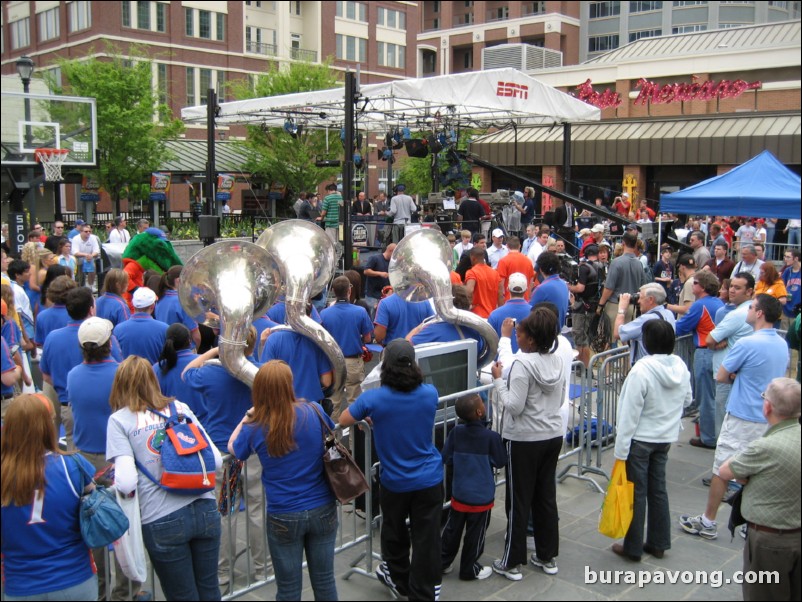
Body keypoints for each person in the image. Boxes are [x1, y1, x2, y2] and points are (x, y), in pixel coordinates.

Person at [107, 356, 222, 601]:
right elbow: (217, 460)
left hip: (160, 517)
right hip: (204, 506)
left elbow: (126, 482)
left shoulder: (119, 421)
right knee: (210, 589)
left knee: (181, 595)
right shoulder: (179, 408)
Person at [679, 294, 789, 541]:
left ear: (759, 313)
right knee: (755, 471)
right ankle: (750, 521)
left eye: (751, 307)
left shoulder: (747, 343)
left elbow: (721, 375)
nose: (748, 310)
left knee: (723, 469)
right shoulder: (781, 343)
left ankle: (708, 520)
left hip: (742, 414)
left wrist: (736, 376)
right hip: (767, 418)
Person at [340, 340, 443, 600]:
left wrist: (369, 415)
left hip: (396, 482)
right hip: (429, 479)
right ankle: (426, 590)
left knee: (394, 534)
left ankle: (399, 580)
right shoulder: (430, 393)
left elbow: (343, 419)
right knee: (426, 537)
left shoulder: (374, 399)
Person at [228, 361, 339, 601]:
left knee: (288, 589)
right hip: (323, 507)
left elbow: (233, 449)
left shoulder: (256, 426)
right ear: (289, 385)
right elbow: (331, 436)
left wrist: (249, 414)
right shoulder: (314, 411)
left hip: (283, 513)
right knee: (325, 580)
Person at [183, 330, 267, 586]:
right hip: (252, 451)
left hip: (223, 452)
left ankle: (222, 573)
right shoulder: (261, 372)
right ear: (250, 348)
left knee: (225, 512)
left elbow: (186, 373)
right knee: (257, 509)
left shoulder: (210, 372)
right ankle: (263, 570)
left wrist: (212, 351)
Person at [491, 308, 565, 580]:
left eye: (519, 333)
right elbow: (559, 399)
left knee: (518, 499)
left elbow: (514, 406)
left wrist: (499, 381)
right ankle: (547, 555)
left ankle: (511, 560)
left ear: (531, 339)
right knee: (545, 496)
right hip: (552, 434)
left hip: (524, 438)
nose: (517, 337)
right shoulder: (557, 359)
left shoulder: (523, 365)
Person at [1, 394, 99, 601]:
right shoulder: (72, 465)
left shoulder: (5, 475)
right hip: (74, 577)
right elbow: (96, 502)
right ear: (47, 427)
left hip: (21, 583)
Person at [612, 320, 692, 562]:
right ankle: (659, 542)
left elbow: (629, 413)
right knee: (658, 489)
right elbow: (687, 399)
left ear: (646, 342)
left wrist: (620, 450)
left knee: (637, 492)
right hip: (665, 436)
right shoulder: (679, 365)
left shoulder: (641, 370)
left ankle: (633, 546)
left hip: (641, 438)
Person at [718, 377, 800, 602]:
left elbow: (726, 471)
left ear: (767, 407)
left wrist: (747, 477)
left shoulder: (764, 447)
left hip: (771, 540)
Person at [440, 394, 507, 581]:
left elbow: (446, 457)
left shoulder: (456, 432)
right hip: (481, 496)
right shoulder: (491, 437)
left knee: (452, 530)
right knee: (475, 534)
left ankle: (442, 562)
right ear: (480, 411)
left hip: (459, 492)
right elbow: (500, 461)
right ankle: (469, 568)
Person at [676, 270, 725, 448]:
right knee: (715, 396)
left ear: (702, 287)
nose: (692, 285)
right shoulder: (719, 302)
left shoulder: (699, 305)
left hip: (704, 351)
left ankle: (709, 437)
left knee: (706, 397)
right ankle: (714, 434)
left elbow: (680, 327)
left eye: (695, 283)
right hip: (717, 352)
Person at [707, 273, 755, 439]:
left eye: (737, 287)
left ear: (749, 292)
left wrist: (715, 342)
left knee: (724, 424)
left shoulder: (738, 314)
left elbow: (709, 340)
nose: (732, 291)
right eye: (731, 286)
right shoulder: (745, 312)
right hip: (736, 373)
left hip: (727, 374)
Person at [320, 276, 373, 421]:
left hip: (333, 364)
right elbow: (368, 339)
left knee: (334, 403)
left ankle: (333, 441)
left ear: (333, 292)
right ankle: (355, 441)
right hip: (353, 362)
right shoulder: (360, 311)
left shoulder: (324, 314)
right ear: (349, 291)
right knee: (355, 403)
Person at [597, 231, 649, 338]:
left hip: (615, 307)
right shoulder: (639, 263)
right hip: (631, 307)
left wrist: (600, 305)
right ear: (635, 245)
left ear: (623, 243)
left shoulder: (616, 262)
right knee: (627, 341)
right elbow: (643, 287)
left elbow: (609, 288)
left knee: (610, 341)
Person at [153, 323, 205, 421]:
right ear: (189, 341)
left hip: (172, 426)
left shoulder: (156, 368)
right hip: (203, 425)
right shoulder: (204, 363)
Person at [569, 244, 603, 366]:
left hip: (583, 308)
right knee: (587, 338)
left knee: (580, 339)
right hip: (595, 306)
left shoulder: (584, 267)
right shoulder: (601, 266)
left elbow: (580, 288)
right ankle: (586, 366)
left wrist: (568, 286)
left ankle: (583, 367)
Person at [114, 287, 169, 363]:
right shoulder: (164, 329)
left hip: (126, 374)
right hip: (153, 374)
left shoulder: (118, 329)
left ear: (133, 305)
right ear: (153, 306)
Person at [154, 266, 200, 347]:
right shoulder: (183, 301)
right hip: (184, 349)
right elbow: (196, 336)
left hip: (165, 348)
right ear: (178, 280)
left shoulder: (160, 298)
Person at [489, 274, 535, 355]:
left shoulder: (495, 315)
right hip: (527, 362)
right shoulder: (535, 313)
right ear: (526, 289)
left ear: (508, 289)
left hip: (501, 364)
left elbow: (489, 344)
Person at [531, 251, 569, 329]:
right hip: (558, 331)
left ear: (540, 269)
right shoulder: (564, 284)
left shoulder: (541, 289)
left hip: (546, 334)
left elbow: (529, 313)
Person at [362, 243, 396, 316]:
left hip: (385, 295)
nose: (395, 256)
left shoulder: (392, 263)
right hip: (372, 295)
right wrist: (380, 273)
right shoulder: (375, 258)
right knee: (373, 315)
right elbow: (366, 271)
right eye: (394, 253)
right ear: (390, 250)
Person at [71, 223, 100, 291]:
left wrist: (91, 256)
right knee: (80, 276)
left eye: (89, 231)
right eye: (86, 231)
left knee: (93, 266)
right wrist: (86, 255)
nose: (88, 233)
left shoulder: (93, 238)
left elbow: (97, 250)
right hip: (79, 259)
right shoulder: (76, 239)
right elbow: (75, 252)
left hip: (90, 259)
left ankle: (91, 285)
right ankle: (80, 287)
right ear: (81, 232)